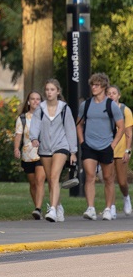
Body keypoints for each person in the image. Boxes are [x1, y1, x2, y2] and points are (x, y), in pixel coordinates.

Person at [76, 72, 125, 220]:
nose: (93, 87)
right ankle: (90, 208)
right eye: (92, 85)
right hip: (89, 145)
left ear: (103, 86)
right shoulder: (86, 105)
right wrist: (82, 142)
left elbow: (121, 127)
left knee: (108, 178)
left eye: (96, 85)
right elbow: (78, 124)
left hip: (106, 146)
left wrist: (113, 144)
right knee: (90, 176)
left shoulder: (111, 105)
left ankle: (108, 209)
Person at [27, 78, 77, 223]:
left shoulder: (64, 109)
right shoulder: (40, 109)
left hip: (61, 145)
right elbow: (35, 126)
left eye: (52, 90)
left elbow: (70, 129)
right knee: (51, 180)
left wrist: (73, 151)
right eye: (47, 90)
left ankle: (53, 210)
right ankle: (59, 206)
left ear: (58, 92)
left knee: (54, 176)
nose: (49, 92)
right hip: (44, 148)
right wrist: (34, 138)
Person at [13, 91, 46, 219]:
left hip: (43, 153)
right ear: (28, 101)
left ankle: (37, 208)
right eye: (33, 99)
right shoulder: (22, 118)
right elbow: (18, 135)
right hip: (27, 154)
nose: (35, 101)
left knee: (39, 180)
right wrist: (16, 148)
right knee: (32, 183)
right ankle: (38, 207)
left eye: (38, 99)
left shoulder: (46, 117)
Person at [106, 84, 133, 215]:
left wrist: (128, 150)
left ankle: (126, 197)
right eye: (109, 93)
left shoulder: (125, 110)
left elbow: (128, 131)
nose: (111, 95)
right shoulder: (104, 110)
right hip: (107, 149)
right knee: (109, 179)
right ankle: (111, 207)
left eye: (114, 93)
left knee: (122, 181)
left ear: (119, 95)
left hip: (121, 149)